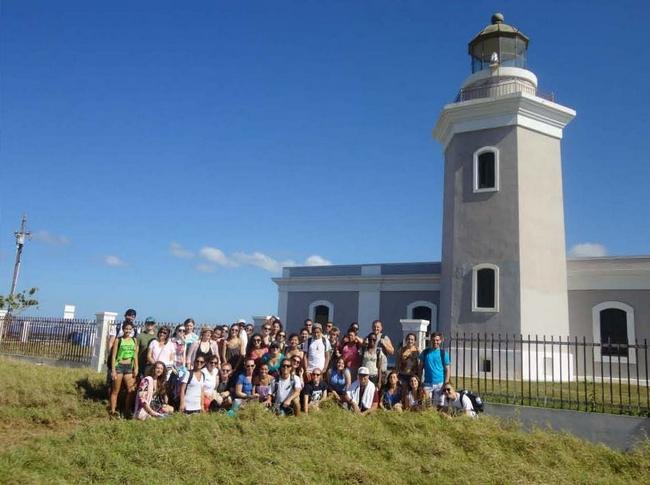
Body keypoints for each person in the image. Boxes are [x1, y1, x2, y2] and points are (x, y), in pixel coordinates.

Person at [109, 321, 139, 418]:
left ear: (132, 330)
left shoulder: (134, 340)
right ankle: (113, 411)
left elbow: (135, 355)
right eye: (126, 329)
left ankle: (126, 410)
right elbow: (114, 356)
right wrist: (113, 370)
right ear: (123, 329)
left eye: (130, 329)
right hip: (119, 367)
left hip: (129, 367)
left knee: (131, 390)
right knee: (115, 390)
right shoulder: (119, 340)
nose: (128, 331)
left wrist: (136, 367)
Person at [418, 332, 451, 409]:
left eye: (437, 340)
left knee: (439, 406)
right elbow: (420, 368)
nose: (435, 342)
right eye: (433, 340)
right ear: (430, 340)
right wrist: (420, 381)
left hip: (440, 383)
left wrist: (445, 383)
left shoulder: (443, 354)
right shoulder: (425, 352)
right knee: (426, 404)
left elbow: (447, 370)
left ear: (441, 341)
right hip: (427, 383)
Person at [106, 308, 136, 385]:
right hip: (116, 358)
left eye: (133, 316)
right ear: (125, 316)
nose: (131, 318)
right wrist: (112, 355)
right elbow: (111, 342)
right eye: (129, 315)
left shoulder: (135, 329)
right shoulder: (117, 327)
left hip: (127, 359)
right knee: (112, 380)